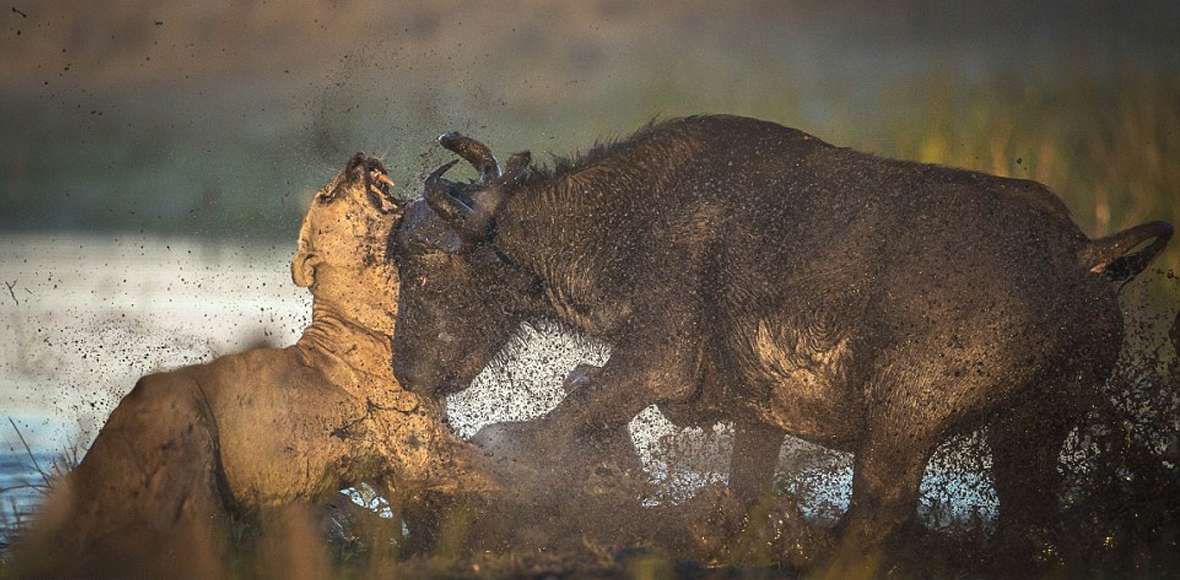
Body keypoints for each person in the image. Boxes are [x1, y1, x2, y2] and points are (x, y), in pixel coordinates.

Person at [12, 153, 495, 579]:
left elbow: (428, 477)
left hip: (237, 499)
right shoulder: (355, 360)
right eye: (329, 197)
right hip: (153, 474)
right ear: (310, 262)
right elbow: (439, 462)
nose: (352, 173)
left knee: (350, 522)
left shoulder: (378, 350)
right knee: (163, 399)